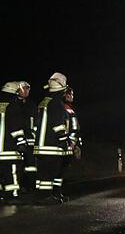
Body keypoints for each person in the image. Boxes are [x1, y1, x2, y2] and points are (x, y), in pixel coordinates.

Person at [34, 73, 71, 202]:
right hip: (51, 146)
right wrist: (64, 141)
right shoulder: (57, 104)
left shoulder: (43, 102)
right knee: (49, 172)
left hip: (40, 145)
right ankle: (46, 197)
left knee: (42, 173)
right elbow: (58, 126)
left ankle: (41, 195)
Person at [0, 82, 30, 201]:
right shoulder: (13, 106)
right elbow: (16, 127)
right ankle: (12, 195)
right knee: (11, 172)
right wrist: (21, 143)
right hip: (9, 149)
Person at [59, 87, 82, 186]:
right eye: (71, 95)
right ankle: (56, 192)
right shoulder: (68, 110)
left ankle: (56, 192)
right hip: (67, 144)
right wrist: (73, 143)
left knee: (60, 168)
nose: (72, 97)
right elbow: (75, 127)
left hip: (62, 142)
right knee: (62, 168)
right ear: (66, 96)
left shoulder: (60, 108)